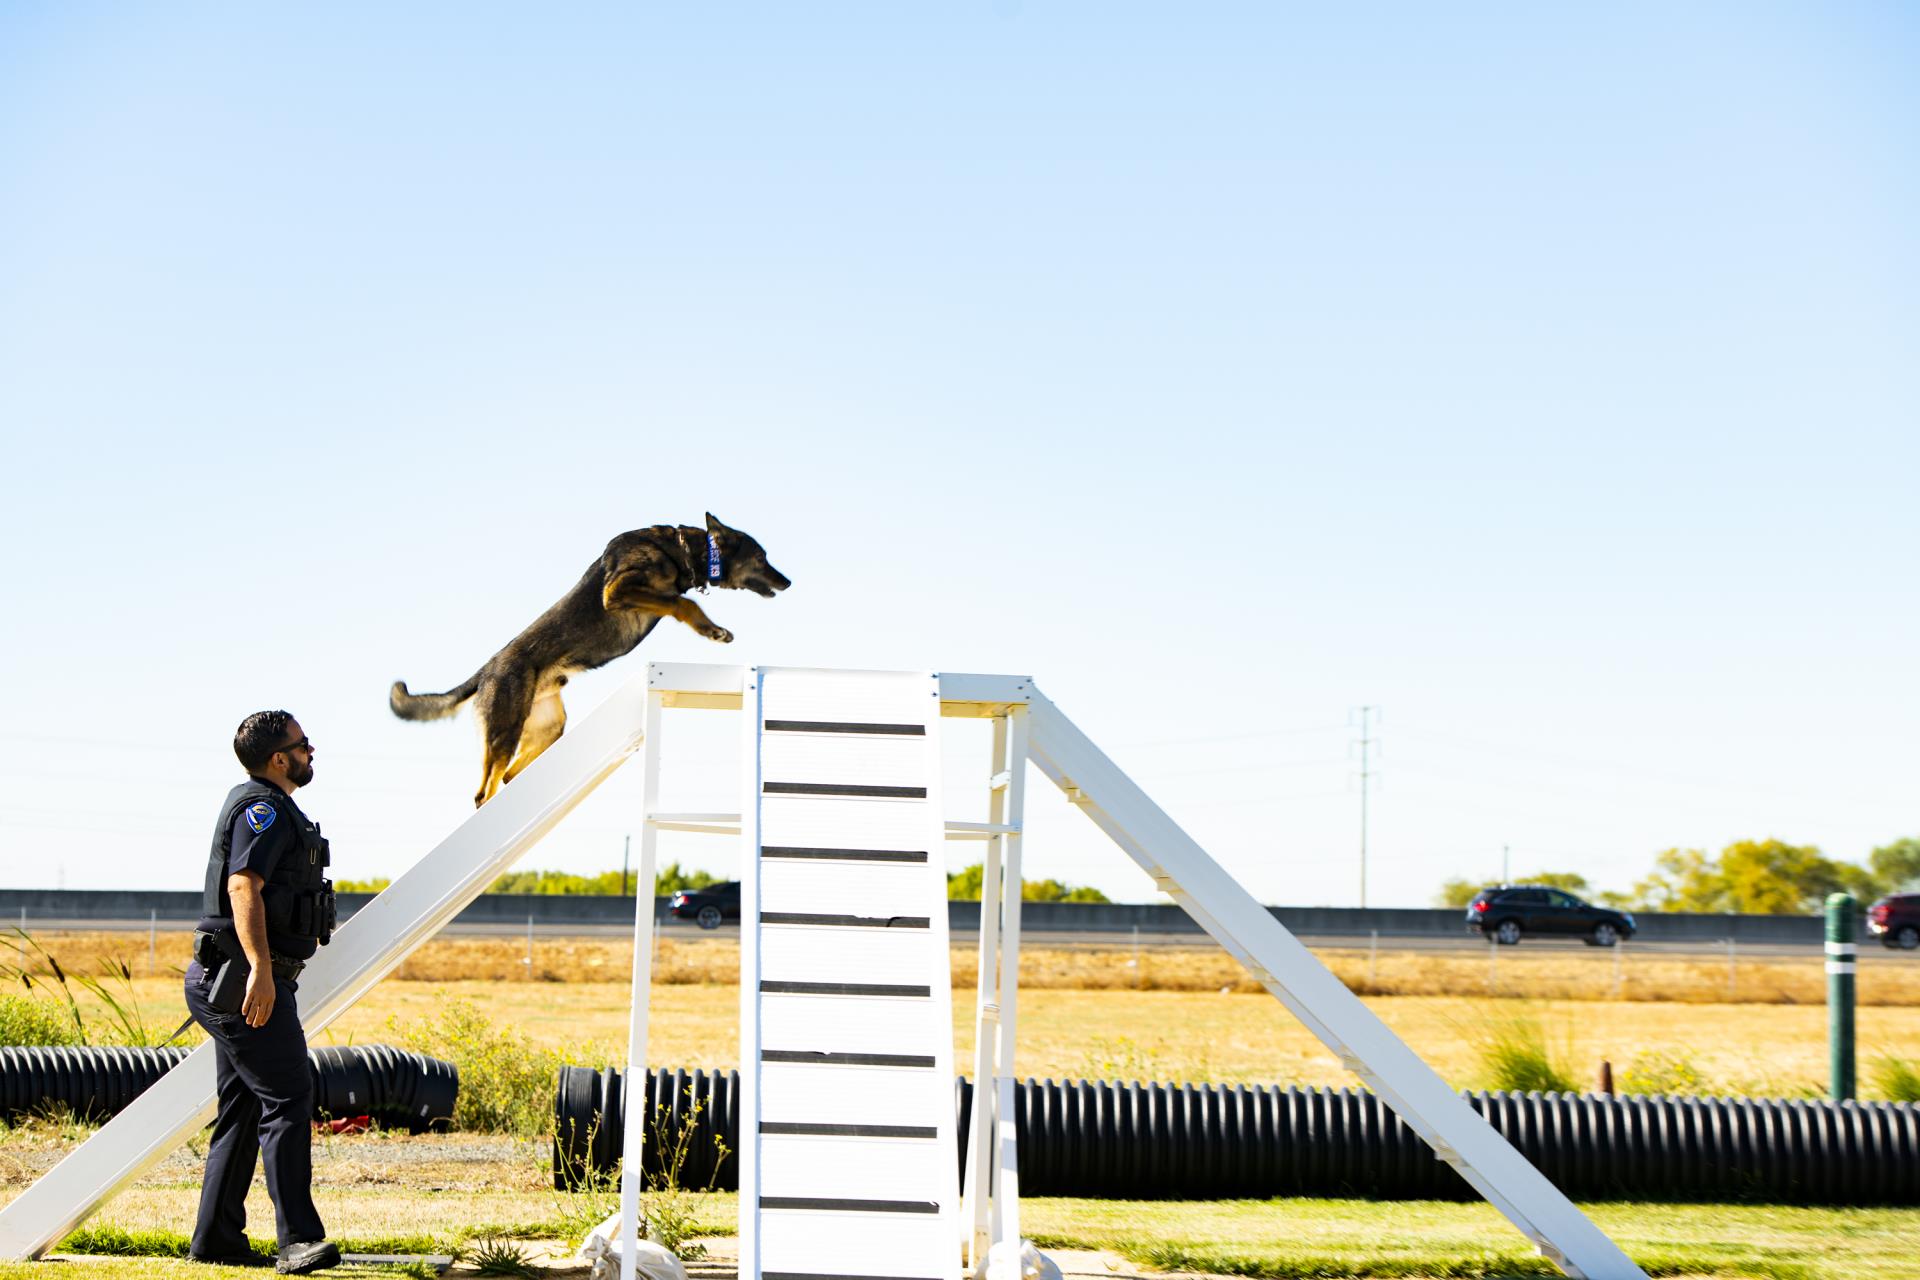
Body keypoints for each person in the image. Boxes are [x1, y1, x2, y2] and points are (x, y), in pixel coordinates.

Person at [185, 710, 340, 1273]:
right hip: (240, 981)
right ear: (280, 758)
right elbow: (242, 885)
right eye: (303, 744)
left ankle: (216, 1239)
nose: (311, 750)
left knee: (245, 1107)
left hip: (236, 978)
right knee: (288, 1099)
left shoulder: (272, 806)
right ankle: (297, 1239)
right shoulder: (263, 810)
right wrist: (259, 970)